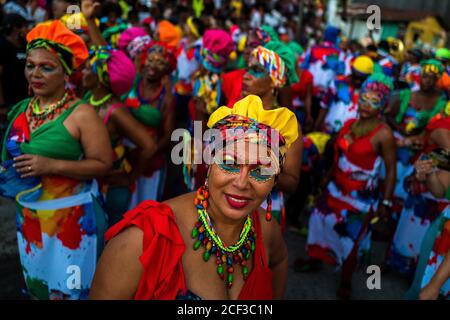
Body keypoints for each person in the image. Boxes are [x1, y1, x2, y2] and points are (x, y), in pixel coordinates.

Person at [89, 94, 298, 300]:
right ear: (209, 164)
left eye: (260, 171)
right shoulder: (143, 240)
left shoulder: (265, 228)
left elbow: (279, 261)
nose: (242, 183)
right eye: (229, 163)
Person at [0, 20, 112, 299]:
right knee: (38, 286)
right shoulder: (23, 109)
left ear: (65, 73)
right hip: (29, 217)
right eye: (30, 65)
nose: (34, 74)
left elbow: (103, 164)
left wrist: (51, 165)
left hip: (72, 223)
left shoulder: (81, 114)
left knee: (71, 291)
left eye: (46, 67)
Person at [295, 74, 397, 300]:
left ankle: (346, 280)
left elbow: (390, 171)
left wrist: (386, 202)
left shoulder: (384, 134)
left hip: (359, 197)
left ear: (382, 105)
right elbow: (339, 156)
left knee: (349, 238)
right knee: (319, 221)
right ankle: (314, 258)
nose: (366, 105)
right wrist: (327, 177)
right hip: (335, 187)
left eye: (373, 102)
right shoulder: (351, 124)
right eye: (364, 99)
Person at [385, 60, 448, 274]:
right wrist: (403, 133)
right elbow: (390, 115)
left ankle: (411, 264)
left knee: (417, 218)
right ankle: (392, 253)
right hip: (406, 153)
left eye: (433, 77)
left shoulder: (441, 102)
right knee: (403, 206)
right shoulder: (407, 95)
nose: (428, 81)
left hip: (424, 161)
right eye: (425, 76)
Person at [239, 43, 303, 229]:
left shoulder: (288, 125)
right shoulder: (234, 114)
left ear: (276, 80)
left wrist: (259, 168)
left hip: (265, 210)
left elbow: (291, 182)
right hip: (228, 201)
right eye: (248, 68)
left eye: (257, 70)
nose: (246, 75)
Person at [123, 40, 176, 207]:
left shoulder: (166, 99)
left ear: (167, 70)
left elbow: (168, 136)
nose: (153, 66)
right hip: (122, 158)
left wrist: (147, 153)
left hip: (149, 165)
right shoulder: (131, 84)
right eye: (151, 60)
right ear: (144, 61)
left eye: (160, 63)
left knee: (143, 209)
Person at [314, 55, 374, 134]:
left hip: (348, 136)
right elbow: (325, 106)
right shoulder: (337, 82)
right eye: (356, 76)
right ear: (352, 70)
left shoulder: (368, 91)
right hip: (328, 129)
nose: (358, 81)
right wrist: (315, 128)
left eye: (362, 78)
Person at [0, 13, 29, 138]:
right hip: (9, 101)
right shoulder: (2, 45)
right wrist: (1, 105)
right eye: (23, 26)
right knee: (9, 136)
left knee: (22, 136)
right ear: (14, 28)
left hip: (25, 99)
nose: (26, 29)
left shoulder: (24, 43)